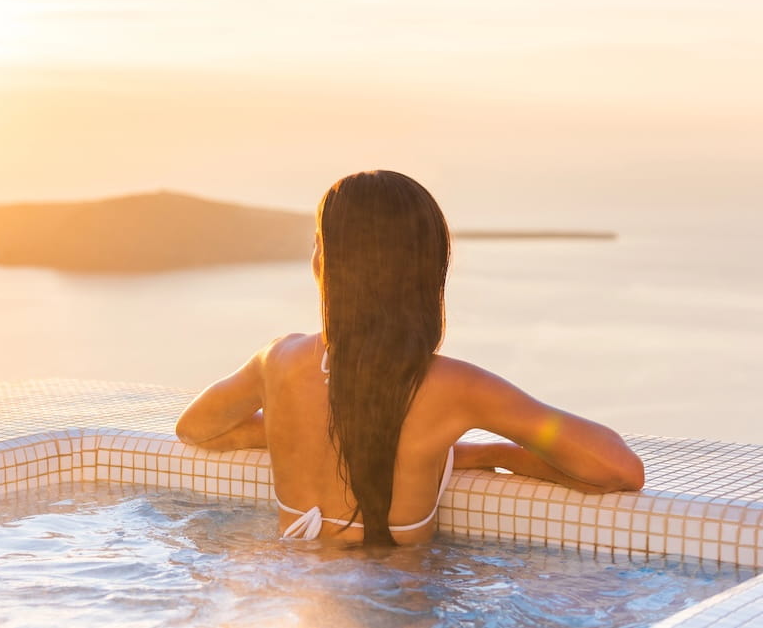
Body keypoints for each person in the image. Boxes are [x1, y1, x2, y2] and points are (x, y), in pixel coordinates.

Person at [175, 170, 644, 546]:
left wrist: (291, 432)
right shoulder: (455, 388)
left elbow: (196, 428)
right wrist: (499, 453)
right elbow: (619, 469)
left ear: (325, 264)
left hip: (287, 593)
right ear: (429, 270)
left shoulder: (277, 360)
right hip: (392, 606)